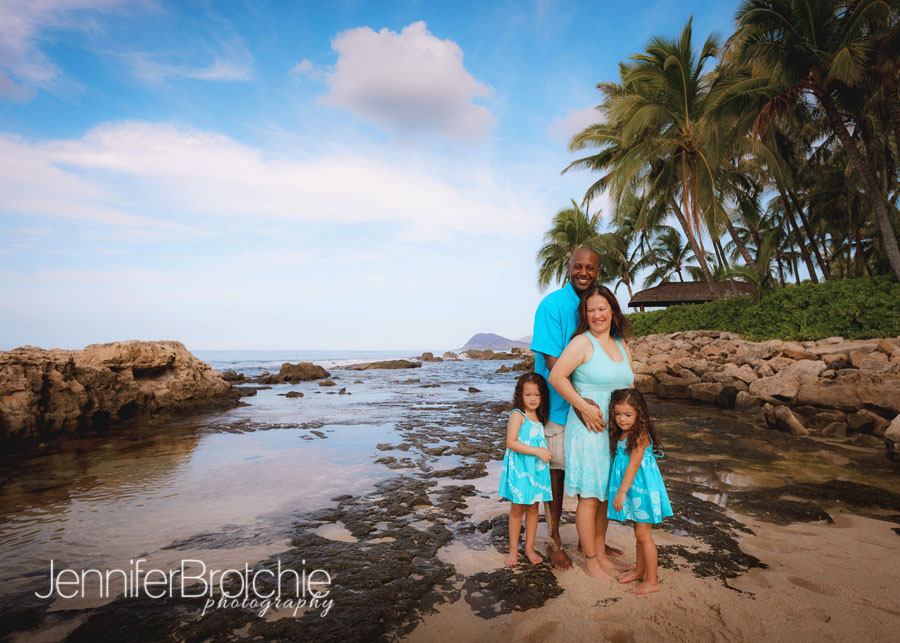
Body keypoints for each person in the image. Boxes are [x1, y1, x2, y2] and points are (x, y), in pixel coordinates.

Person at [532, 248, 623, 570]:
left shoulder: (596, 303)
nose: (583, 272)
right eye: (577, 267)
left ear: (598, 271)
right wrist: (582, 404)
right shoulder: (553, 305)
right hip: (557, 407)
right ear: (568, 268)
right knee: (556, 475)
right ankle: (554, 540)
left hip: (592, 413)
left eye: (590, 268)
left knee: (597, 478)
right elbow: (552, 361)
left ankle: (592, 542)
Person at [548, 284, 634, 581]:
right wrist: (583, 407)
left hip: (615, 431)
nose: (597, 315)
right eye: (591, 310)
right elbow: (556, 376)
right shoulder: (582, 343)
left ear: (613, 310)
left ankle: (601, 556)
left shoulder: (621, 344)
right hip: (589, 430)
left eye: (602, 308)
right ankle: (592, 561)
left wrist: (635, 428)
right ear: (585, 314)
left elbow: (630, 389)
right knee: (590, 497)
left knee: (604, 495)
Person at [607, 388, 673, 594]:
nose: (622, 419)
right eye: (617, 414)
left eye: (628, 415)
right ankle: (640, 571)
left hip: (641, 489)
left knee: (644, 536)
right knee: (639, 533)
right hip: (633, 490)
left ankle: (652, 581)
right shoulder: (623, 433)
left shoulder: (640, 435)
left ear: (639, 414)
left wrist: (621, 492)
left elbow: (634, 466)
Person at [498, 372, 554, 566]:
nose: (532, 399)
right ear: (520, 395)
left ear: (542, 396)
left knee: (533, 508)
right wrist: (537, 451)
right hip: (521, 469)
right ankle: (513, 551)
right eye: (528, 394)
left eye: (536, 395)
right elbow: (511, 443)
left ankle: (529, 548)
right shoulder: (517, 415)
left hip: (536, 471)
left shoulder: (539, 416)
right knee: (517, 509)